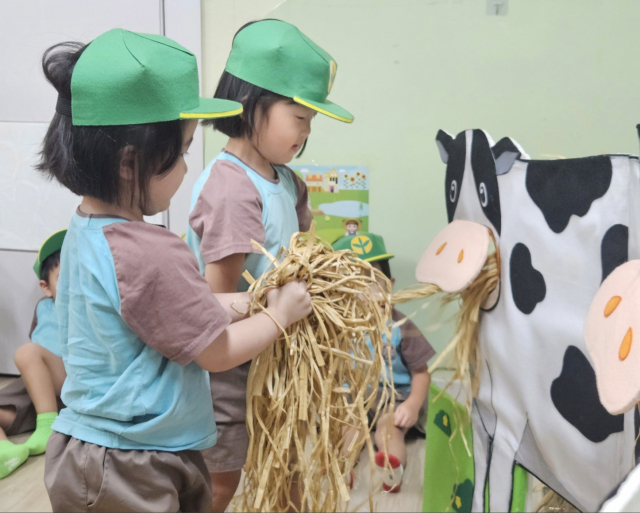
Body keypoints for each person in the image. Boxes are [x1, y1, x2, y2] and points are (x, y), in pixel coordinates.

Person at [36, 29, 311, 513]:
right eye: (182, 153)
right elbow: (217, 354)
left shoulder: (87, 229)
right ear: (129, 163)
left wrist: (236, 303)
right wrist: (279, 315)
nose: (188, 170)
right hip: (127, 464)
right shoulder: (149, 251)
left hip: (117, 448)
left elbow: (154, 310)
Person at [186, 19, 353, 511]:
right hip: (230, 365)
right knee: (221, 479)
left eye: (310, 121)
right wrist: (277, 314)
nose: (305, 131)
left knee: (287, 465)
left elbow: (303, 256)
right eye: (299, 116)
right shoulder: (234, 189)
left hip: (279, 352)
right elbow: (215, 303)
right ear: (251, 103)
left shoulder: (286, 181)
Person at [333, 233, 435, 493]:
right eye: (353, 283)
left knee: (388, 430)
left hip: (394, 398)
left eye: (373, 282)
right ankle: (342, 468)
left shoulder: (399, 324)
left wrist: (412, 404)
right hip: (354, 399)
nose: (365, 292)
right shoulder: (338, 328)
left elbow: (421, 372)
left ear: (389, 285)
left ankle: (393, 469)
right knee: (347, 427)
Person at [0, 230, 66, 479]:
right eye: (64, 278)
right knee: (29, 354)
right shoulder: (44, 308)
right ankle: (4, 451)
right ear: (46, 287)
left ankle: (47, 424)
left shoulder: (94, 305)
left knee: (26, 352)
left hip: (72, 381)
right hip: (40, 392)